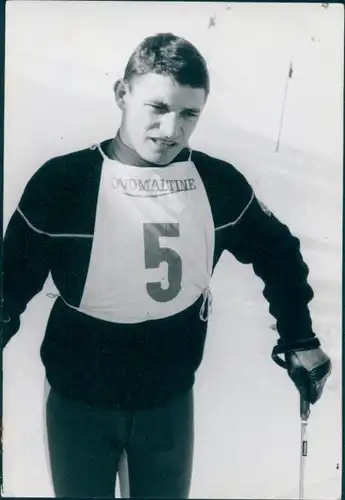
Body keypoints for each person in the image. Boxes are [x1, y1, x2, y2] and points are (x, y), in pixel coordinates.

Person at [1, 32, 331, 498]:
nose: (172, 129)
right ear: (122, 94)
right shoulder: (64, 184)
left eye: (189, 114)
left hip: (167, 401)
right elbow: (9, 284)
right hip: (79, 401)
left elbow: (278, 252)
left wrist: (300, 337)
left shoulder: (216, 183)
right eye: (157, 107)